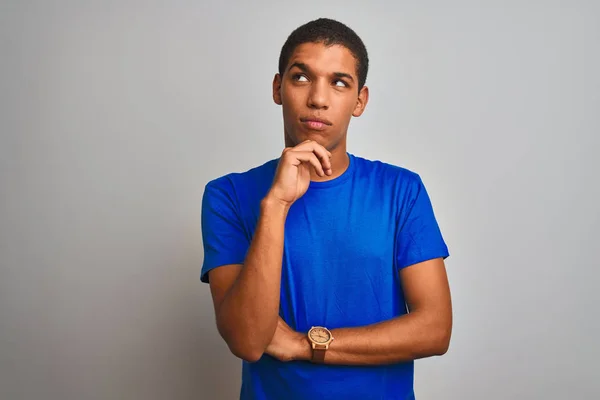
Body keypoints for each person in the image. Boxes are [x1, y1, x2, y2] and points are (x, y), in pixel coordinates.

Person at [200, 17, 452, 400]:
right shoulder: (228, 195)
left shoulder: (402, 190)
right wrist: (277, 204)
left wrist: (307, 345)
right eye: (301, 77)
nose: (318, 98)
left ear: (359, 101)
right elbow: (248, 341)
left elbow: (435, 329)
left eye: (339, 82)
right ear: (277, 87)